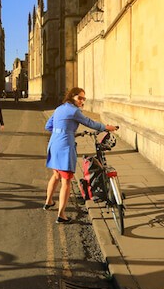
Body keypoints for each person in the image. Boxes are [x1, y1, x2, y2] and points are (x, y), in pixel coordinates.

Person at [44, 87, 117, 224]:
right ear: (72, 96)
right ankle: (61, 215)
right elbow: (90, 123)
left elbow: (48, 126)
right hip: (65, 147)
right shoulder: (74, 111)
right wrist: (107, 127)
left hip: (54, 144)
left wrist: (64, 130)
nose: (82, 101)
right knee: (66, 181)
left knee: (56, 175)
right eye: (80, 98)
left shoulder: (59, 108)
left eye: (84, 98)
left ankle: (48, 202)